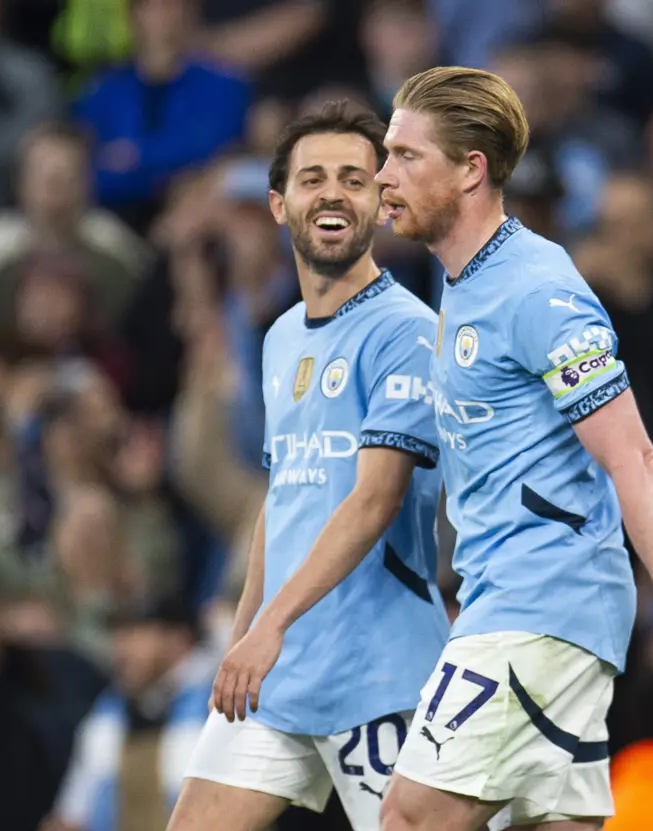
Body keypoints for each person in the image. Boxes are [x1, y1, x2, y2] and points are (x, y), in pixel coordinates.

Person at [371, 66, 653, 831]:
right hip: (523, 598)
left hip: (544, 601)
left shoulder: (538, 292)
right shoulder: (464, 282)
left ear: (470, 169)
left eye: (404, 156)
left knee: (412, 816)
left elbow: (634, 458)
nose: (383, 175)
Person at [164, 101, 449, 831]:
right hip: (279, 671)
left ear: (382, 204)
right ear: (277, 203)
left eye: (354, 179)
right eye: (313, 177)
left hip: (379, 674)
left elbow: (373, 499)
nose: (332, 193)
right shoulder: (282, 337)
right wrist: (241, 635)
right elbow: (282, 498)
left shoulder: (408, 333)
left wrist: (271, 625)